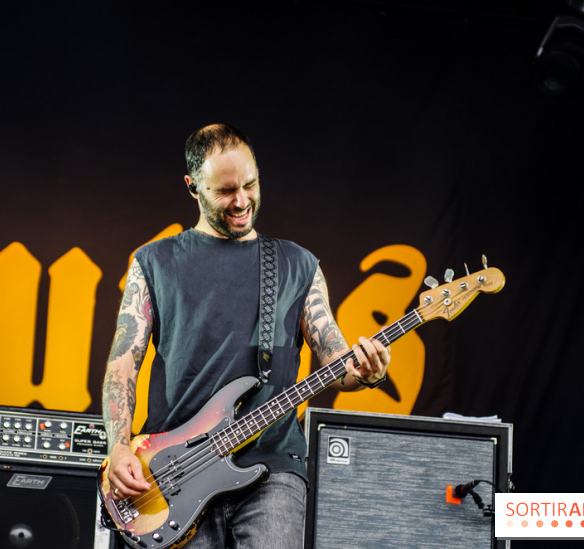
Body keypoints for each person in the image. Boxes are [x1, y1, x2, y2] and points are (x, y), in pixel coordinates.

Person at [101, 123, 391, 549]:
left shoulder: (298, 265)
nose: (242, 201)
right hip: (173, 470)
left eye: (250, 185)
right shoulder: (153, 263)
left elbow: (337, 364)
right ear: (192, 187)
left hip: (270, 467)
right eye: (225, 191)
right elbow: (123, 363)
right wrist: (120, 448)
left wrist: (367, 373)